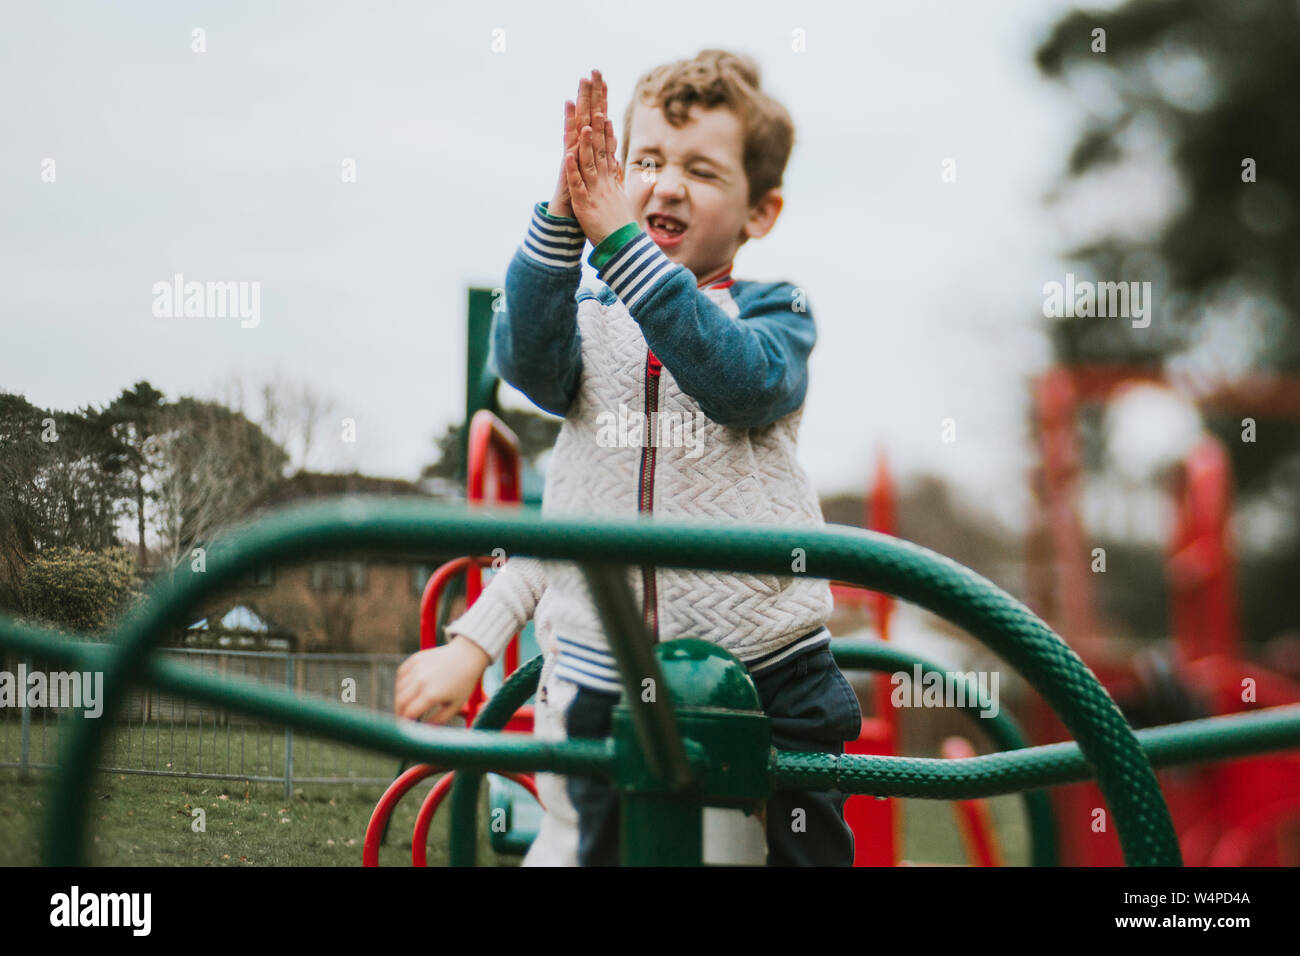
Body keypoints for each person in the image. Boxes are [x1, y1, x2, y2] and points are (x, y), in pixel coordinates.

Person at [395, 50, 860, 866]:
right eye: (643, 161)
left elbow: (737, 383)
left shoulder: (775, 316)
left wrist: (620, 242)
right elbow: (532, 374)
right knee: (589, 849)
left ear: (762, 211)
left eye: (702, 170)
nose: (666, 184)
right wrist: (562, 214)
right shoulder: (588, 321)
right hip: (597, 676)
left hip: (769, 674)